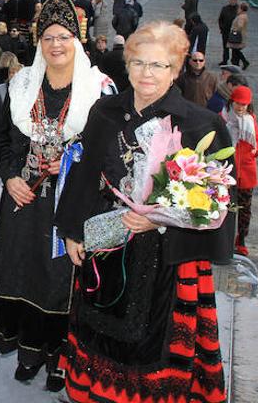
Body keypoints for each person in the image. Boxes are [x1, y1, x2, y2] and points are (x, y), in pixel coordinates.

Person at [55, 21, 230, 403]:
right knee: (97, 332)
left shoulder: (201, 124)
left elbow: (214, 203)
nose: (146, 73)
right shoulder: (105, 112)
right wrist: (71, 232)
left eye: (158, 65)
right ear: (127, 64)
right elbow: (85, 176)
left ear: (176, 69)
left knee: (152, 345)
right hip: (106, 239)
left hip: (167, 260)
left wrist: (158, 219)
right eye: (138, 63)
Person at [0, 0, 114, 391]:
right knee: (23, 274)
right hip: (23, 201)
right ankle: (29, 351)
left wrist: (72, 167)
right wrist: (10, 178)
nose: (55, 45)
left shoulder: (100, 91)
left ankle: (61, 359)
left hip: (71, 204)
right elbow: (4, 142)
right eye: (47, 38)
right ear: (38, 42)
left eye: (63, 36)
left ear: (77, 40)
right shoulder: (22, 85)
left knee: (61, 281)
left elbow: (109, 154)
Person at [225, 86, 258, 256]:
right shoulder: (224, 118)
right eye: (238, 104)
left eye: (244, 104)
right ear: (232, 101)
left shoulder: (250, 120)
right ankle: (224, 239)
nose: (241, 108)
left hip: (247, 172)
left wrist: (257, 151)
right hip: (228, 170)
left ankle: (241, 239)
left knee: (244, 209)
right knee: (225, 207)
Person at [227, 1, 250, 70]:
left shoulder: (241, 17)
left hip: (237, 37)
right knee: (236, 51)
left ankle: (240, 62)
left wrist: (234, 30)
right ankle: (241, 62)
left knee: (236, 51)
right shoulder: (243, 16)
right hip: (240, 36)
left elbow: (240, 26)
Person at [217, 0, 239, 66]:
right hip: (225, 31)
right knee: (225, 47)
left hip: (234, 32)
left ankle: (235, 61)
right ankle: (225, 60)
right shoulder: (225, 8)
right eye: (231, 0)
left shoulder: (238, 10)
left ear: (236, 1)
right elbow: (220, 19)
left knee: (234, 47)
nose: (233, 2)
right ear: (229, 1)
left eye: (234, 0)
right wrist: (222, 28)